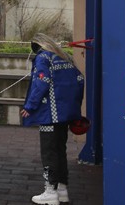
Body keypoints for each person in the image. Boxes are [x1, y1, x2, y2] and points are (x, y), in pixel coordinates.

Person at [21, 34, 84, 205]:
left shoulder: (43, 58)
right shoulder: (65, 57)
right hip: (65, 114)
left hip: (49, 114)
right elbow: (79, 80)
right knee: (60, 150)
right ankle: (62, 190)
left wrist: (30, 106)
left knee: (49, 152)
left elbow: (42, 82)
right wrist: (74, 107)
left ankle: (50, 191)